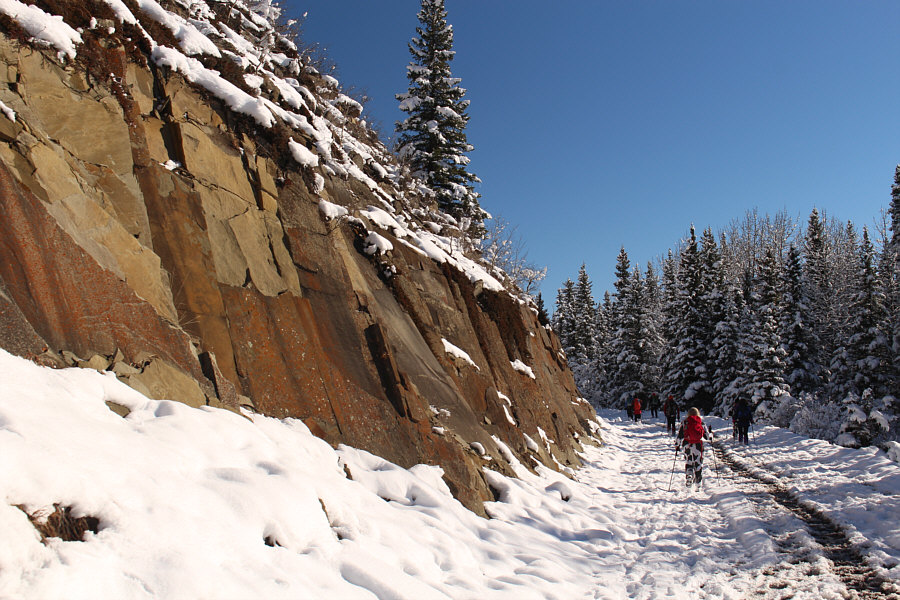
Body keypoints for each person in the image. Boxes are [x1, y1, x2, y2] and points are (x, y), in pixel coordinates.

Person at [675, 407, 714, 489]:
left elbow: (680, 435)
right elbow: (707, 436)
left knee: (689, 460)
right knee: (698, 462)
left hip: (687, 444)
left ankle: (689, 475)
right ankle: (698, 482)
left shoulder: (685, 423)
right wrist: (711, 435)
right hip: (698, 445)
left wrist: (677, 445)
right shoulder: (701, 423)